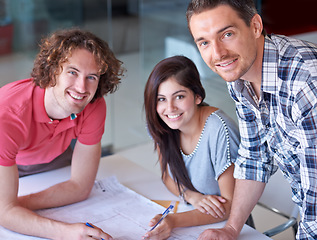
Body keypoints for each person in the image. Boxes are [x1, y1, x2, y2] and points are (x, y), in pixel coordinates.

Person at [186, 0, 317, 239]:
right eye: (204, 42)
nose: (217, 53)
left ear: (256, 26)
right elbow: (255, 155)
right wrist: (231, 229)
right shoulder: (239, 75)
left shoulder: (306, 85)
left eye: (227, 34)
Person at [0, 28, 125, 239]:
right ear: (52, 70)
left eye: (91, 77)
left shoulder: (93, 104)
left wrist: (17, 206)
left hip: (54, 161)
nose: (81, 87)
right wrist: (66, 232)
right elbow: (4, 213)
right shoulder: (8, 114)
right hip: (8, 164)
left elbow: (80, 187)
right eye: (73, 72)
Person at [143, 55, 241, 240]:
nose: (170, 108)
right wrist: (191, 196)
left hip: (223, 229)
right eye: (161, 99)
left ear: (197, 96)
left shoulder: (220, 130)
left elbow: (229, 207)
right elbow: (167, 177)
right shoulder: (162, 124)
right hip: (191, 216)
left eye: (179, 96)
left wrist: (173, 221)